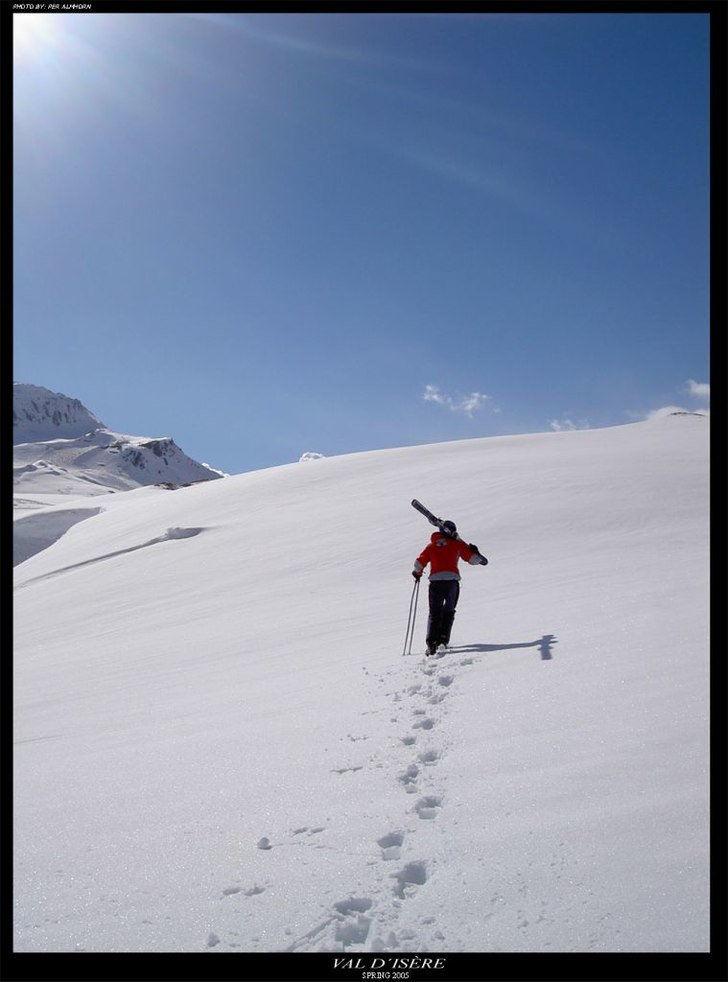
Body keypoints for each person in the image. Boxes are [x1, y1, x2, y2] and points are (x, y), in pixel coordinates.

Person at [412, 521, 486, 656]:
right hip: (452, 582)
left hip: (435, 583)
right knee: (449, 611)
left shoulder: (431, 546)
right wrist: (475, 552)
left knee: (434, 612)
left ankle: (431, 644)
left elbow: (419, 563)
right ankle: (443, 641)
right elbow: (474, 560)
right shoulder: (457, 544)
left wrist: (417, 573)